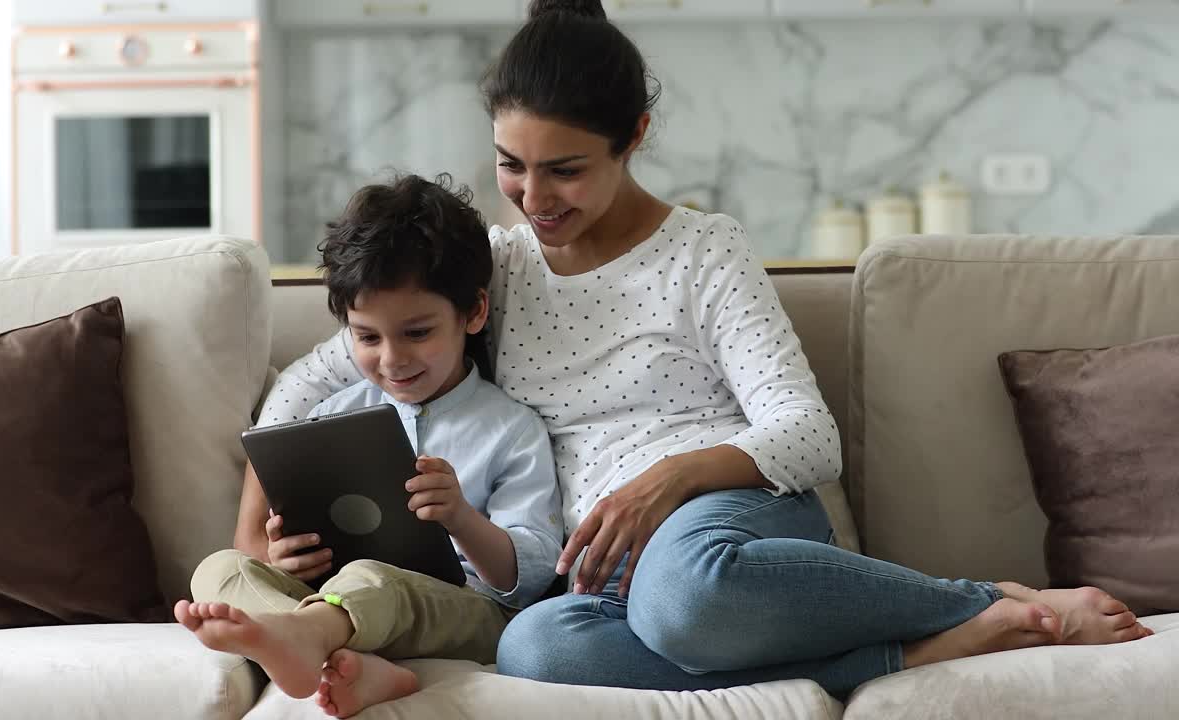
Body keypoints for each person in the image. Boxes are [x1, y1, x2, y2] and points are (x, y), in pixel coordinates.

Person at [238, 0, 1152, 702]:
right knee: (537, 649)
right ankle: (906, 651)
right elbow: (322, 372)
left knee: (686, 597)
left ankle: (971, 594)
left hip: (725, 528)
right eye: (511, 164)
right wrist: (262, 516)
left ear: (632, 137)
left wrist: (665, 481)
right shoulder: (499, 264)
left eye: (565, 169)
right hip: (596, 574)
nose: (532, 196)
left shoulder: (703, 251)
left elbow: (805, 434)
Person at [176, 173, 563, 718]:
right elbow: (278, 546)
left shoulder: (512, 428)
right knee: (222, 570)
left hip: (467, 610)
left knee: (373, 580)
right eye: (367, 337)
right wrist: (285, 559)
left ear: (473, 314)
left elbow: (527, 578)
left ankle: (307, 639)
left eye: (417, 333)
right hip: (344, 594)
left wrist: (459, 518)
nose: (392, 359)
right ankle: (337, 653)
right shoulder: (331, 418)